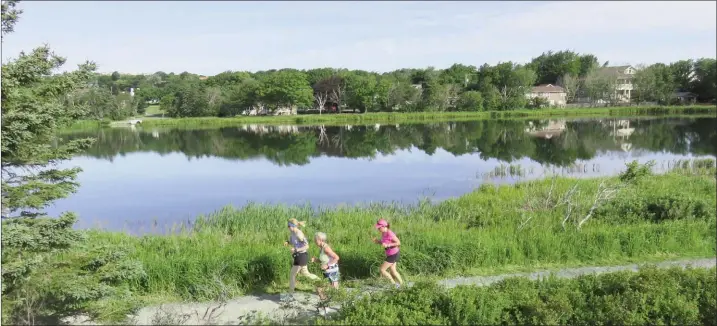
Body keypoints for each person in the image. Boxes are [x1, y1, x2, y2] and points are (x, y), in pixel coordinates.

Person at [284, 218, 319, 293]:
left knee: (292, 274)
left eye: (288, 226)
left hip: (301, 256)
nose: (288, 227)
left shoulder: (299, 234)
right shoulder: (293, 233)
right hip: (298, 256)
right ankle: (319, 280)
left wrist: (296, 250)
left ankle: (290, 293)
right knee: (306, 273)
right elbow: (292, 241)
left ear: (292, 226)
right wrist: (287, 242)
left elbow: (307, 246)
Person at [373, 219, 404, 288]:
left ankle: (394, 285)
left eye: (379, 227)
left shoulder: (390, 233)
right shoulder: (383, 233)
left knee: (382, 270)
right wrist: (378, 241)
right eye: (378, 227)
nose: (378, 229)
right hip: (391, 253)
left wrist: (388, 245)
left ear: (384, 226)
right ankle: (402, 285)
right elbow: (384, 242)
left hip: (393, 253)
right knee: (393, 271)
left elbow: (398, 243)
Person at [311, 232, 340, 301]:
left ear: (320, 240)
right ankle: (327, 303)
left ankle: (326, 303)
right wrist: (316, 260)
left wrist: (327, 265)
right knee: (329, 290)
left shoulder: (326, 248)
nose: (314, 241)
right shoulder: (321, 248)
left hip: (332, 271)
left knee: (320, 289)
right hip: (327, 272)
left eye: (315, 240)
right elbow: (324, 260)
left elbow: (336, 257)